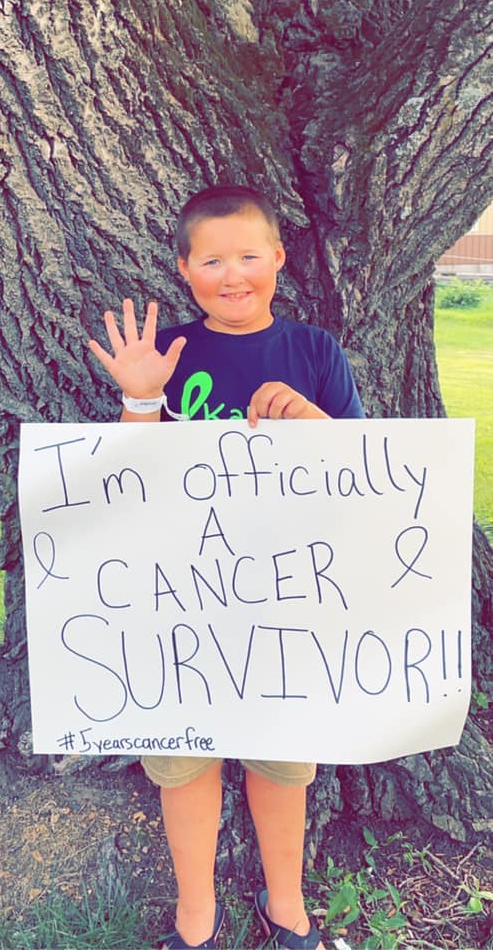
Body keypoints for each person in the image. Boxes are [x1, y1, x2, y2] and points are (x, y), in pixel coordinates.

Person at [89, 185, 364, 950]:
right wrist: (141, 398)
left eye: (248, 255)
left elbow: (367, 473)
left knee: (283, 763)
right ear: (184, 268)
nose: (232, 274)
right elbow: (129, 484)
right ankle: (196, 912)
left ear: (278, 257)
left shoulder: (315, 350)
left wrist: (312, 421)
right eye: (211, 261)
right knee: (184, 764)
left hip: (289, 600)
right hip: (180, 603)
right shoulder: (168, 355)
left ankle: (288, 905)